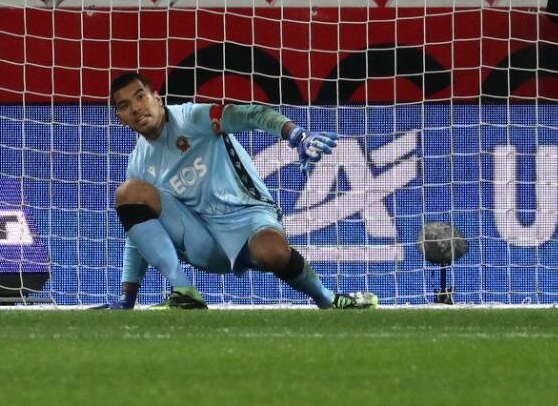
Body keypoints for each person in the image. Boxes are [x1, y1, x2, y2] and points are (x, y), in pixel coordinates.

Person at [106, 73, 378, 311]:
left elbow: (252, 115)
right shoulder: (138, 163)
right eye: (125, 106)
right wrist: (128, 295)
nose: (136, 109)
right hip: (201, 240)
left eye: (140, 97)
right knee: (128, 192)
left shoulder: (194, 117)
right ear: (120, 118)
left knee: (272, 253)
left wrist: (298, 136)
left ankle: (327, 298)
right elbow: (137, 236)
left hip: (248, 218)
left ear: (157, 97)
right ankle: (185, 293)